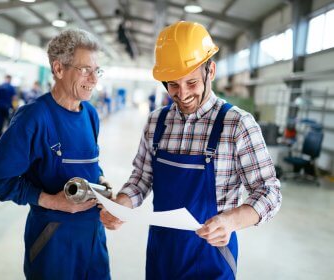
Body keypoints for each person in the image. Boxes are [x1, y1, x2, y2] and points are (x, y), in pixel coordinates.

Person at [100, 21, 282, 279]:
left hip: (212, 257)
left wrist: (230, 221)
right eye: (173, 84)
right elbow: (141, 178)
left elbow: (269, 192)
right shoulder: (156, 122)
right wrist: (122, 204)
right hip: (162, 253)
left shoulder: (237, 124)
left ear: (211, 71)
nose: (182, 94)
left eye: (192, 82)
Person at [0, 29, 110, 280]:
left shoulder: (90, 114)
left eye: (97, 70)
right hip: (53, 239)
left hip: (93, 237)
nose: (94, 79)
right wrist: (52, 201)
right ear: (59, 69)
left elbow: (90, 162)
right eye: (85, 69)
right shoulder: (35, 117)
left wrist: (103, 181)